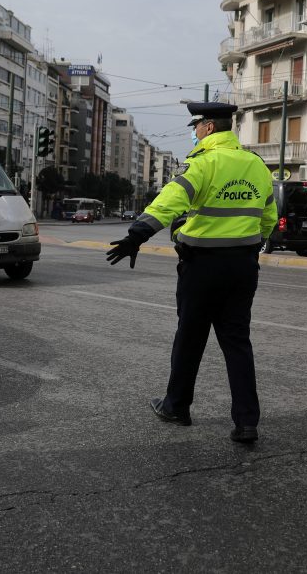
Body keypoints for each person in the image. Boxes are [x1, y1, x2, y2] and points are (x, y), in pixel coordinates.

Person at [106, 102, 278, 444]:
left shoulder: (202, 163)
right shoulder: (256, 165)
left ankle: (177, 407)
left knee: (190, 338)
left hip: (202, 267)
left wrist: (136, 236)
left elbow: (168, 203)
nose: (195, 132)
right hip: (243, 268)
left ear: (209, 127)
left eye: (196, 126)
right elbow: (269, 217)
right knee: (237, 343)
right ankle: (246, 422)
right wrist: (249, 248)